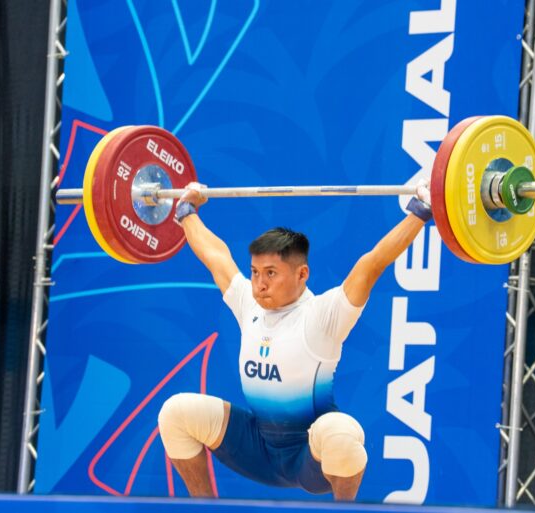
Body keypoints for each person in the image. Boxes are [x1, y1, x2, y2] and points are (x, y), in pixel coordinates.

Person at [158, 180, 433, 501]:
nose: (259, 284)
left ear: (302, 274)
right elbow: (215, 255)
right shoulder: (249, 303)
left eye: (271, 273)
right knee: (175, 413)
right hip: (257, 447)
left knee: (342, 435)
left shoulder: (323, 315)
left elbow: (372, 264)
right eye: (255, 272)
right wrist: (186, 211)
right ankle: (205, 510)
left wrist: (421, 211)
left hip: (310, 457)